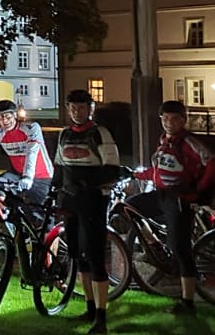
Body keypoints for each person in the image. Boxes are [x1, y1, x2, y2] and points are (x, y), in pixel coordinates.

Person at [130, 99, 215, 317]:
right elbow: (158, 170)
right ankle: (155, 245)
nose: (168, 122)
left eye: (173, 118)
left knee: (181, 249)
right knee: (129, 207)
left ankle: (188, 301)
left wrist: (198, 192)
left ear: (183, 120)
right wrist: (134, 174)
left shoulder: (188, 142)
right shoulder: (164, 141)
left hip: (180, 199)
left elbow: (213, 162)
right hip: (162, 195)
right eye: (164, 118)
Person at [52, 90, 122, 334]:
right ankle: (90, 307)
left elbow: (113, 170)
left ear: (91, 109)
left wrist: (84, 183)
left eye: (82, 107)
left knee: (94, 256)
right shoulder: (64, 134)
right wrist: (55, 191)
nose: (76, 111)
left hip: (93, 201)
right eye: (72, 107)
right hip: (70, 202)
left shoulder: (100, 134)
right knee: (78, 255)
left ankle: (101, 317)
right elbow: (59, 168)